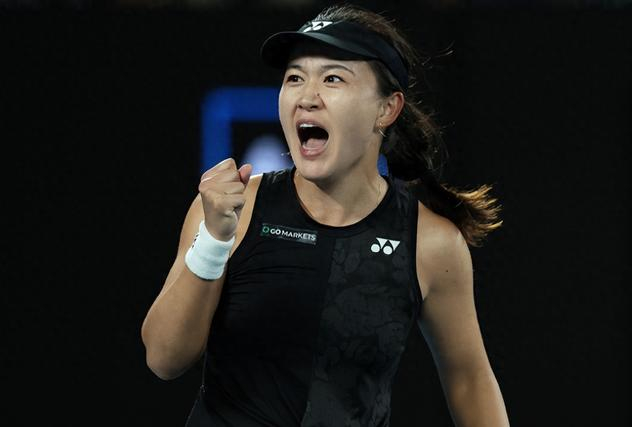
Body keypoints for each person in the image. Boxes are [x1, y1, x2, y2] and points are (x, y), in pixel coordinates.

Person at [141, 4, 510, 426]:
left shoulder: (431, 242)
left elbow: (468, 379)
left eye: (333, 78)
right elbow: (163, 358)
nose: (306, 97)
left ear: (386, 109)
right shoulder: (234, 210)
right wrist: (214, 238)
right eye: (295, 78)